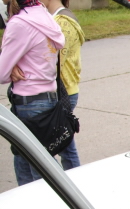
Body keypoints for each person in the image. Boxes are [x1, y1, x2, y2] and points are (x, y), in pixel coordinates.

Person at [0, 0, 65, 186]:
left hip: (28, 103)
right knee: (35, 164)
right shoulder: (43, 15)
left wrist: (10, 67)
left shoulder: (19, 24)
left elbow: (1, 73)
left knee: (39, 173)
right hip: (47, 99)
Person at [40, 0, 84, 171]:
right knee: (66, 144)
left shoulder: (62, 21)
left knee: (64, 147)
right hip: (65, 89)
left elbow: (55, 61)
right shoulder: (58, 18)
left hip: (63, 91)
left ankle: (73, 185)